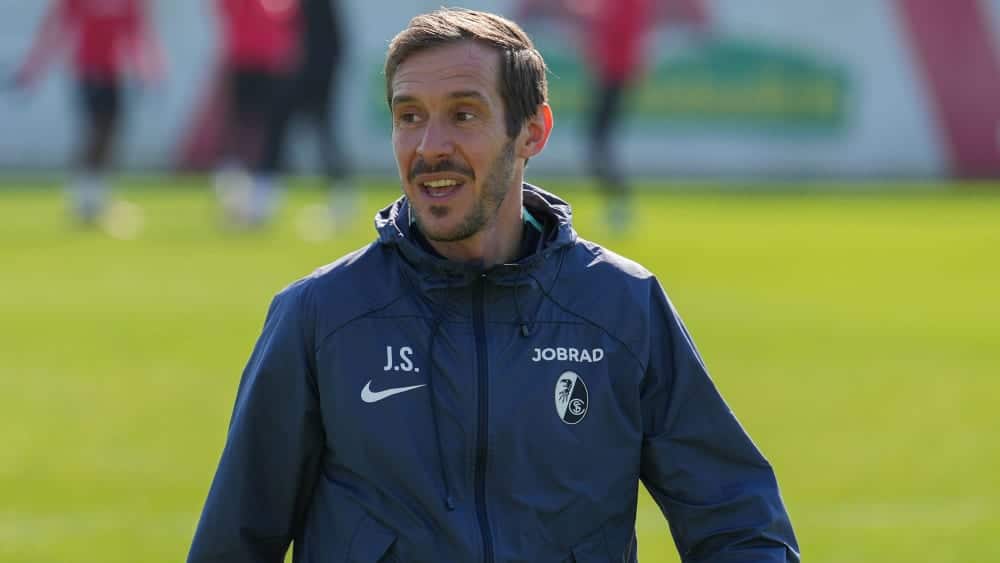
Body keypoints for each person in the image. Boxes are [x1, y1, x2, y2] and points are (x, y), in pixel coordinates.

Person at [188, 8, 799, 562]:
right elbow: (233, 545)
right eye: (409, 116)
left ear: (532, 132)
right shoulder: (320, 316)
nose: (430, 147)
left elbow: (740, 526)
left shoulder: (622, 307)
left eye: (464, 115)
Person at [14, 0, 162, 227]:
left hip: (113, 72)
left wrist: (147, 69)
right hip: (87, 71)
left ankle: (97, 199)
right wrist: (32, 69)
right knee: (94, 132)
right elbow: (54, 29)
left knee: (110, 134)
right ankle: (82, 201)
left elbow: (137, 33)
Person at [252, 0, 359, 231]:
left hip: (312, 68)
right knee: (306, 132)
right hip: (311, 65)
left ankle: (263, 203)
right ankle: (341, 203)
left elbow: (310, 29)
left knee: (301, 130)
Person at [212, 0, 300, 226]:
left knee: (262, 134)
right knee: (242, 132)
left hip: (268, 65)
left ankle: (257, 198)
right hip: (244, 63)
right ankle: (236, 195)